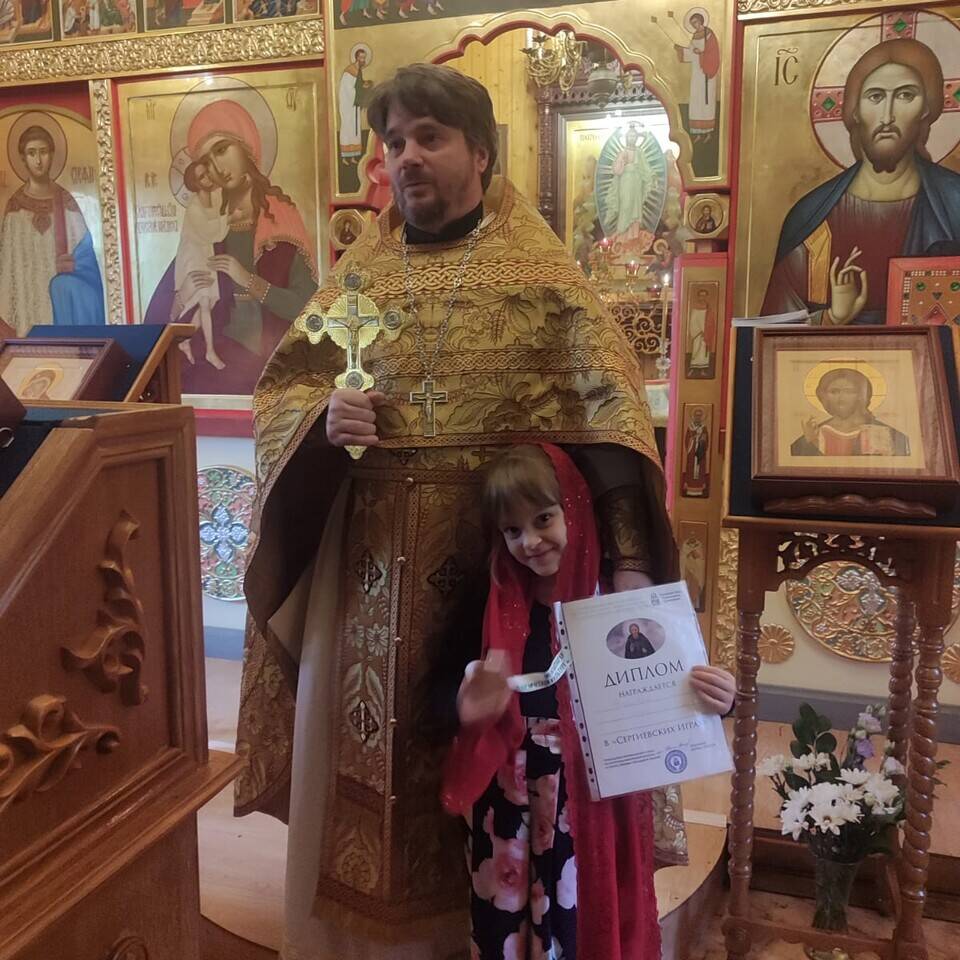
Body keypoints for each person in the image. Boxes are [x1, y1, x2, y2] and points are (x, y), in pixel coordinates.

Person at [237, 64, 682, 960]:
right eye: (394, 141)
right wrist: (323, 423)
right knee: (380, 759)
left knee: (513, 761)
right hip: (372, 576)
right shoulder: (360, 275)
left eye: (428, 138)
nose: (405, 157)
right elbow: (285, 392)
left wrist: (631, 565)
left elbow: (609, 422)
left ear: (480, 150)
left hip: (504, 569)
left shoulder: (541, 273)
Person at [440, 444, 735, 959]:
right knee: (504, 927)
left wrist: (721, 697)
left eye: (543, 519)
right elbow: (453, 692)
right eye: (512, 530)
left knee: (577, 924)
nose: (530, 542)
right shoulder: (490, 600)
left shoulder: (618, 606)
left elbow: (671, 689)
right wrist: (465, 706)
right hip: (509, 805)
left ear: (575, 508)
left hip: (588, 803)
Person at [762, 38, 960, 325]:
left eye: (905, 95)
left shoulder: (955, 205)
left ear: (926, 110)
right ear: (855, 111)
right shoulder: (812, 221)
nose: (887, 116)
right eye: (875, 97)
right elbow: (771, 335)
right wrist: (832, 318)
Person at [145, 99, 318, 394]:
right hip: (214, 363)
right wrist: (183, 296)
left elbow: (309, 308)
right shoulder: (210, 226)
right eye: (206, 163)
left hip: (274, 366)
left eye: (222, 150)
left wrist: (248, 280)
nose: (217, 168)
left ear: (246, 145)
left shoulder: (280, 218)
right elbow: (157, 320)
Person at [0, 123, 105, 335]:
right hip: (26, 308)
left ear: (52, 154)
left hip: (63, 310)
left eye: (43, 152)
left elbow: (89, 265)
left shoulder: (68, 204)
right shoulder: (14, 209)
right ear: (22, 158)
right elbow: (7, 270)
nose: (38, 160)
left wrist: (73, 268)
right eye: (31, 153)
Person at [174, 160, 235, 369]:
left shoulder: (215, 196)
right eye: (202, 177)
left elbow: (218, 227)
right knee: (204, 301)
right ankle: (210, 352)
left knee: (210, 302)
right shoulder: (194, 207)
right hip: (192, 256)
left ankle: (185, 341)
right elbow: (215, 234)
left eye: (207, 174)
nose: (207, 178)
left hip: (205, 252)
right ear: (195, 183)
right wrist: (227, 216)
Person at [791, 367, 909, 456]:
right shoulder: (815, 433)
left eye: (849, 391)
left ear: (861, 396)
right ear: (824, 396)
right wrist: (810, 442)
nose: (841, 397)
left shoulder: (883, 432)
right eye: (834, 391)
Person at [674, 11, 720, 142]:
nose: (694, 25)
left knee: (706, 101)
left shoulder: (709, 34)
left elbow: (714, 53)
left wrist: (702, 54)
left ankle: (709, 133)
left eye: (695, 22)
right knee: (696, 100)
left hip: (707, 73)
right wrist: (681, 50)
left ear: (700, 21)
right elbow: (691, 52)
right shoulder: (695, 36)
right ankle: (698, 133)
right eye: (692, 23)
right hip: (697, 73)